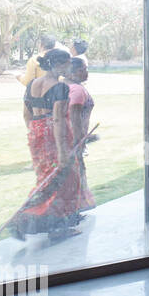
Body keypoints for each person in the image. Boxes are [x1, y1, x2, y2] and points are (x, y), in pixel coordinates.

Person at [6, 49, 91, 241]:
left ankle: (35, 220)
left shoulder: (32, 85)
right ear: (58, 65)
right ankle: (47, 225)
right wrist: (62, 152)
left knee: (46, 178)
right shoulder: (59, 87)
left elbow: (26, 113)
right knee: (65, 180)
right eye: (67, 63)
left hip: (36, 131)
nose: (70, 67)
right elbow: (59, 119)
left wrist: (34, 132)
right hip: (54, 134)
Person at [62, 57, 98, 214]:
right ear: (74, 72)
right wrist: (80, 139)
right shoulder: (76, 90)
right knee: (76, 173)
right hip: (73, 139)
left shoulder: (65, 86)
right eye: (83, 69)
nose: (86, 71)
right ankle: (77, 207)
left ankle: (76, 207)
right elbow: (74, 117)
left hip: (66, 138)